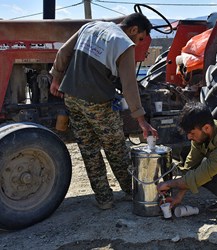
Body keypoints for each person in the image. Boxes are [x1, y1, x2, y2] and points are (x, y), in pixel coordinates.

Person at [49, 13, 158, 210]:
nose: (139, 42)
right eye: (141, 37)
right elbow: (129, 86)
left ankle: (104, 199)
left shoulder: (90, 26)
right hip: (97, 102)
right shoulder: (124, 43)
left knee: (89, 150)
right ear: (134, 30)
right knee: (117, 149)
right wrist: (141, 119)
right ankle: (133, 191)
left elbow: (63, 52)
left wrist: (56, 77)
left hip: (71, 97)